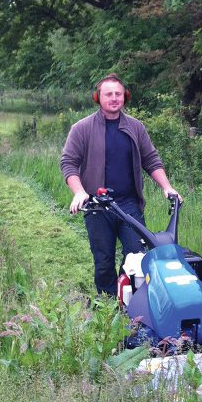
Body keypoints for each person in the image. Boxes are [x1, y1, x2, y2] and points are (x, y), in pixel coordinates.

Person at [60, 73, 182, 296]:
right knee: (104, 260)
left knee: (137, 257)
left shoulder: (136, 127)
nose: (114, 98)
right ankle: (106, 306)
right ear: (98, 98)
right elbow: (69, 163)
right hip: (97, 206)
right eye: (109, 94)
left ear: (124, 97)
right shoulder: (82, 128)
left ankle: (132, 303)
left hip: (129, 206)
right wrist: (79, 192)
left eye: (118, 94)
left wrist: (167, 187)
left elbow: (151, 160)